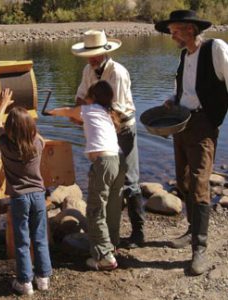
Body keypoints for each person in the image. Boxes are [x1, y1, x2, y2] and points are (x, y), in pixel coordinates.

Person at [155, 10, 228, 275]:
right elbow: (185, 91)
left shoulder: (215, 48)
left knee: (199, 183)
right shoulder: (184, 55)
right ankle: (191, 229)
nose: (171, 35)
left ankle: (200, 248)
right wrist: (171, 101)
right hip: (181, 123)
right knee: (184, 180)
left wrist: (214, 119)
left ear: (189, 29)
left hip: (204, 126)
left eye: (174, 30)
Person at [72, 29, 145, 249]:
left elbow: (117, 110)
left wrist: (87, 114)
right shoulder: (88, 70)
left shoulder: (118, 72)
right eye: (89, 54)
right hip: (105, 130)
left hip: (123, 129)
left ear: (105, 52)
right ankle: (110, 233)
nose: (92, 59)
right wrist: (77, 110)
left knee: (130, 180)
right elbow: (81, 96)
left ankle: (138, 233)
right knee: (109, 182)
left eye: (95, 54)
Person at [48, 80, 125, 270]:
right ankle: (111, 245)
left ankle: (105, 258)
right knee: (112, 207)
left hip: (104, 163)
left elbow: (67, 110)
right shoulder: (107, 113)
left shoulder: (89, 109)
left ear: (92, 98)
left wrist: (50, 112)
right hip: (118, 161)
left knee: (95, 210)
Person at [0, 88, 52, 295]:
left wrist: (2, 104)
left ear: (10, 130)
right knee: (40, 237)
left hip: (19, 198)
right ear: (31, 128)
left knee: (22, 240)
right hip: (38, 195)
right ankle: (43, 278)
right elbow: (35, 133)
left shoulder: (5, 144)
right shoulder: (38, 143)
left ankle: (25, 282)